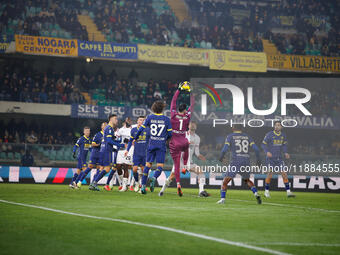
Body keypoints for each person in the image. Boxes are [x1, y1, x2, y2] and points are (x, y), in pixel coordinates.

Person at [131, 100, 172, 194]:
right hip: (161, 145)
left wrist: (135, 138)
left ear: (153, 108)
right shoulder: (166, 119)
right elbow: (170, 133)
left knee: (148, 165)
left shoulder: (149, 117)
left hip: (151, 144)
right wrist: (165, 138)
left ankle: (143, 186)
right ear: (162, 108)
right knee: (160, 166)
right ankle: (154, 177)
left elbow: (141, 128)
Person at [160, 122, 210, 197]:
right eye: (191, 124)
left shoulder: (197, 138)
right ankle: (162, 191)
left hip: (189, 162)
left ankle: (201, 191)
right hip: (180, 161)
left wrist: (200, 156)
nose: (193, 125)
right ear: (188, 126)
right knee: (171, 176)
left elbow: (196, 152)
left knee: (200, 172)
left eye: (194, 124)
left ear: (196, 127)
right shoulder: (183, 135)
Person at [217, 125, 262, 205]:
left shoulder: (230, 136)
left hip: (235, 161)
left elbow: (225, 149)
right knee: (247, 180)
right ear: (242, 128)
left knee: (225, 182)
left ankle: (222, 199)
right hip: (246, 161)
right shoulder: (247, 137)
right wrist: (258, 161)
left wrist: (221, 157)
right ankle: (256, 194)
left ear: (233, 128)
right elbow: (256, 149)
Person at [168, 81, 193, 196]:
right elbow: (192, 105)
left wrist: (179, 90)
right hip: (184, 140)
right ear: (185, 110)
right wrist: (190, 93)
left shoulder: (173, 114)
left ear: (178, 108)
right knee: (186, 147)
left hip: (175, 141)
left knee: (176, 165)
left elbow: (173, 101)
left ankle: (178, 184)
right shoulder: (187, 116)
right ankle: (186, 165)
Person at [89, 114, 124, 191]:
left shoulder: (108, 128)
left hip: (104, 150)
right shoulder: (109, 128)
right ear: (111, 120)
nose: (117, 120)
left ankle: (93, 183)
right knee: (107, 169)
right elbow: (109, 141)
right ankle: (94, 183)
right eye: (115, 119)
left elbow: (109, 140)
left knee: (102, 168)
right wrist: (120, 144)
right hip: (106, 150)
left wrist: (118, 141)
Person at [262, 121, 295, 198]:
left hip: (279, 158)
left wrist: (286, 152)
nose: (277, 126)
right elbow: (263, 144)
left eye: (278, 125)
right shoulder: (269, 134)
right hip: (271, 158)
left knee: (284, 173)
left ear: (281, 127)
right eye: (276, 125)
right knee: (270, 173)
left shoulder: (283, 135)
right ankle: (266, 192)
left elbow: (284, 145)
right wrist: (267, 152)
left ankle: (288, 192)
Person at [75, 122, 107, 188]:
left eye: (106, 125)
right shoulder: (98, 135)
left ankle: (93, 183)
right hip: (95, 153)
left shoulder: (107, 135)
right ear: (102, 127)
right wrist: (99, 144)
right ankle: (79, 182)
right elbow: (93, 143)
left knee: (99, 169)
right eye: (104, 125)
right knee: (90, 167)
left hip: (101, 154)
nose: (106, 126)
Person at [125, 116, 150, 192]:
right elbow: (130, 141)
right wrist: (127, 150)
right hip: (136, 153)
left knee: (143, 170)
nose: (141, 121)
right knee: (134, 169)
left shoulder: (148, 130)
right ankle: (136, 182)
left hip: (145, 153)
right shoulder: (133, 130)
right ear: (137, 121)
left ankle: (142, 185)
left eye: (143, 120)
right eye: (140, 120)